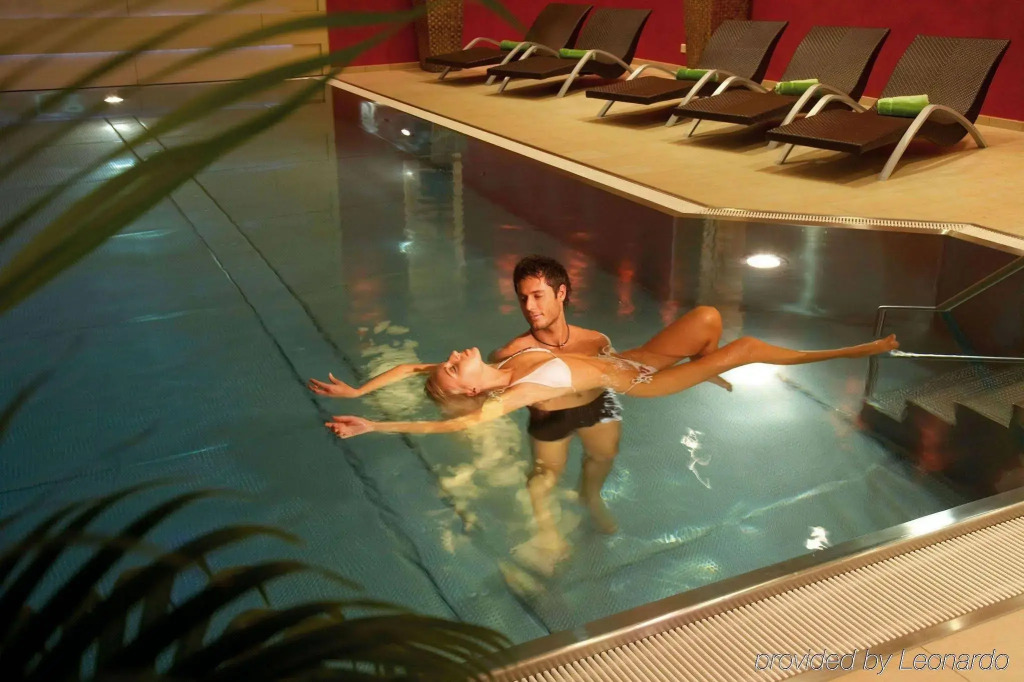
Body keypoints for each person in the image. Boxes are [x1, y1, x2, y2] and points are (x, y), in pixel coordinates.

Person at [490, 256, 627, 540]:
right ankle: (548, 535)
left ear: (561, 293)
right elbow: (485, 392)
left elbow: (626, 374)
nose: (529, 307)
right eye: (523, 298)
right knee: (544, 477)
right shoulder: (511, 354)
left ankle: (590, 496)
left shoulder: (596, 342)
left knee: (604, 455)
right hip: (549, 416)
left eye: (537, 296)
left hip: (596, 405)